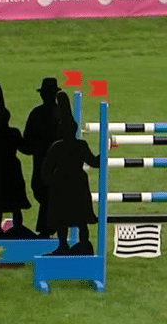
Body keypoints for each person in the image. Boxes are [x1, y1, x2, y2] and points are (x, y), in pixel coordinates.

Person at [42, 91, 100, 255]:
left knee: (62, 220)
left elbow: (46, 167)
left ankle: (63, 246)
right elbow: (93, 162)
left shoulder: (56, 146)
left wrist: (49, 181)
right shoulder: (80, 145)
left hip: (60, 182)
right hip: (78, 182)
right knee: (82, 219)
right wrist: (104, 153)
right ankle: (84, 245)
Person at [0, 82, 32, 239]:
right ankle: (17, 227)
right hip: (11, 170)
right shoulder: (14, 133)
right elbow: (25, 149)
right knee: (15, 204)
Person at [22, 77, 61, 239]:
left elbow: (26, 144)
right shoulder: (62, 113)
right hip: (59, 164)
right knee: (52, 196)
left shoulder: (36, 114)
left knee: (43, 193)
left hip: (41, 163)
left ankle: (46, 230)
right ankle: (53, 229)